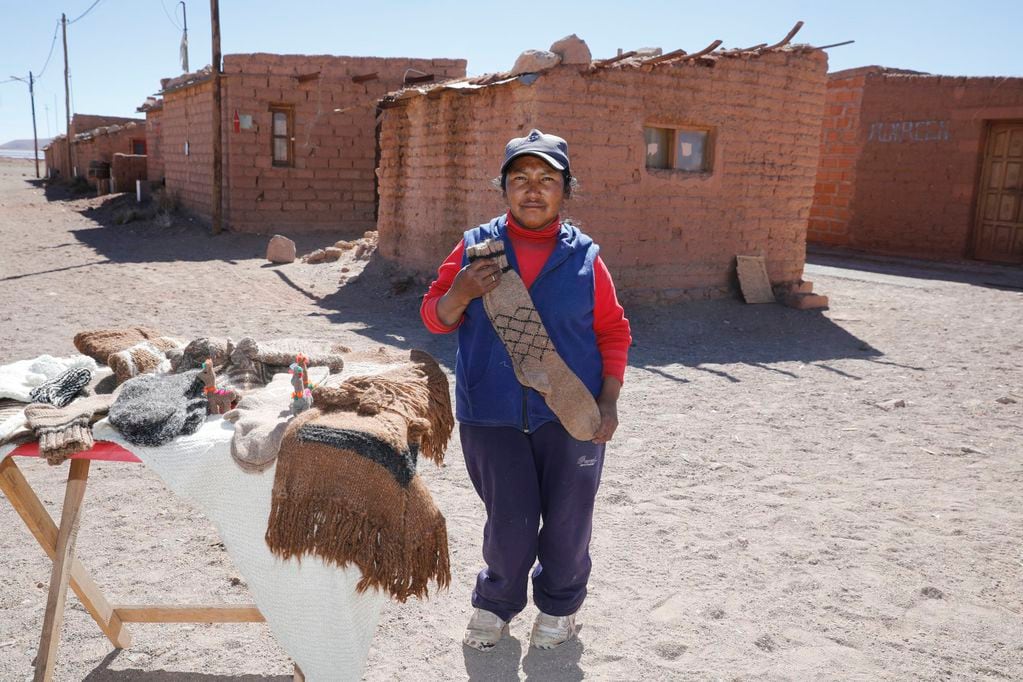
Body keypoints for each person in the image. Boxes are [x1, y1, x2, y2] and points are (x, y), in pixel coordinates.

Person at [420, 129, 631, 651]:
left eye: (547, 180)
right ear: (505, 188)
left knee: (567, 522)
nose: (533, 190)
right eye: (520, 180)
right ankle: (495, 605)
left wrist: (608, 401)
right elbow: (435, 318)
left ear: (565, 190)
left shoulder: (585, 259)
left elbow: (613, 331)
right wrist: (462, 290)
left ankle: (559, 610)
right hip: (491, 414)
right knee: (509, 522)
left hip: (571, 413)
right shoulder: (475, 248)